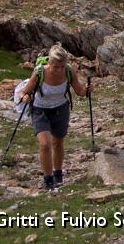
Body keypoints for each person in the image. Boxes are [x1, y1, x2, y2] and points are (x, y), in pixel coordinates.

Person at [18, 44, 92, 190]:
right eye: (56, 66)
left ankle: (58, 173)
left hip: (60, 109)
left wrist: (88, 90)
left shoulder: (69, 71)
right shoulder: (39, 72)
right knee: (45, 144)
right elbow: (24, 92)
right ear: (49, 63)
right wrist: (25, 97)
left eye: (62, 66)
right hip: (40, 110)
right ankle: (48, 179)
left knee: (58, 142)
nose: (59, 69)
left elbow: (79, 92)